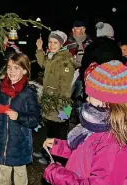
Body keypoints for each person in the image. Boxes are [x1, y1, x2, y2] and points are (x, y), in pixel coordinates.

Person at [43, 60, 127, 185]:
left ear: (107, 101)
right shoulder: (100, 123)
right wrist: (60, 147)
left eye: (91, 94)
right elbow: (88, 152)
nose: (87, 98)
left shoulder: (115, 145)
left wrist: (57, 175)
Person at [0, 52, 41, 185]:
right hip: (2, 141)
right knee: (3, 173)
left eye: (16, 68)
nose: (11, 71)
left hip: (19, 145)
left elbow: (35, 119)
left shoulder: (28, 94)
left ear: (24, 70)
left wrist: (18, 116)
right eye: (9, 67)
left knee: (20, 175)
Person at [33, 30, 76, 164]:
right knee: (51, 129)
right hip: (51, 101)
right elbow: (44, 64)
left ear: (62, 44)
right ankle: (47, 154)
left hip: (59, 103)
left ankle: (57, 160)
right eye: (50, 42)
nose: (51, 45)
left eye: (55, 42)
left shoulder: (65, 61)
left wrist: (64, 110)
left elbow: (65, 88)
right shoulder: (53, 56)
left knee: (57, 132)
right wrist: (39, 49)